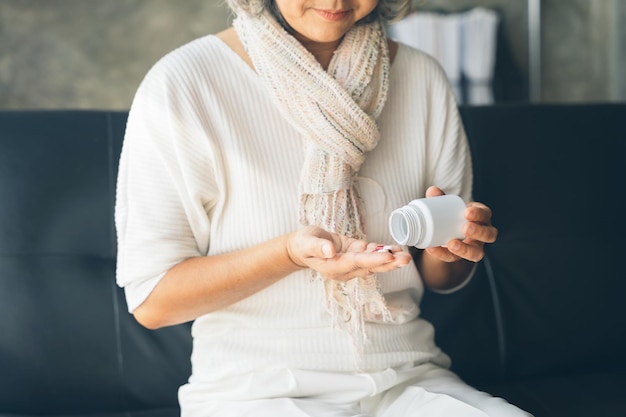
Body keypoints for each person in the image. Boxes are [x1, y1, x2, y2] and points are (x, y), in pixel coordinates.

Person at [114, 0, 532, 416]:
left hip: (406, 379)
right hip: (256, 392)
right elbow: (154, 301)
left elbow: (442, 275)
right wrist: (290, 256)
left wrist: (451, 252)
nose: (335, 1)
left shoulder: (422, 77)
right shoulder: (185, 84)